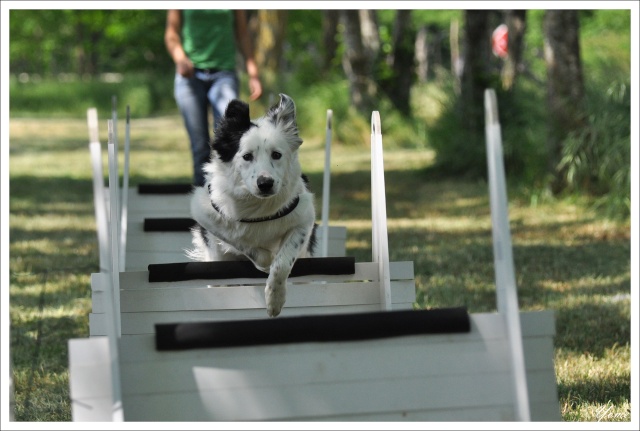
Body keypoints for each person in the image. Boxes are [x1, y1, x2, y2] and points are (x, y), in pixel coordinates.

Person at [165, 10, 263, 186]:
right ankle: (202, 203)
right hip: (190, 77)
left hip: (224, 75)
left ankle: (229, 198)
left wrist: (253, 73)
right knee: (200, 146)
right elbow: (171, 33)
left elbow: (242, 34)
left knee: (229, 139)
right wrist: (180, 58)